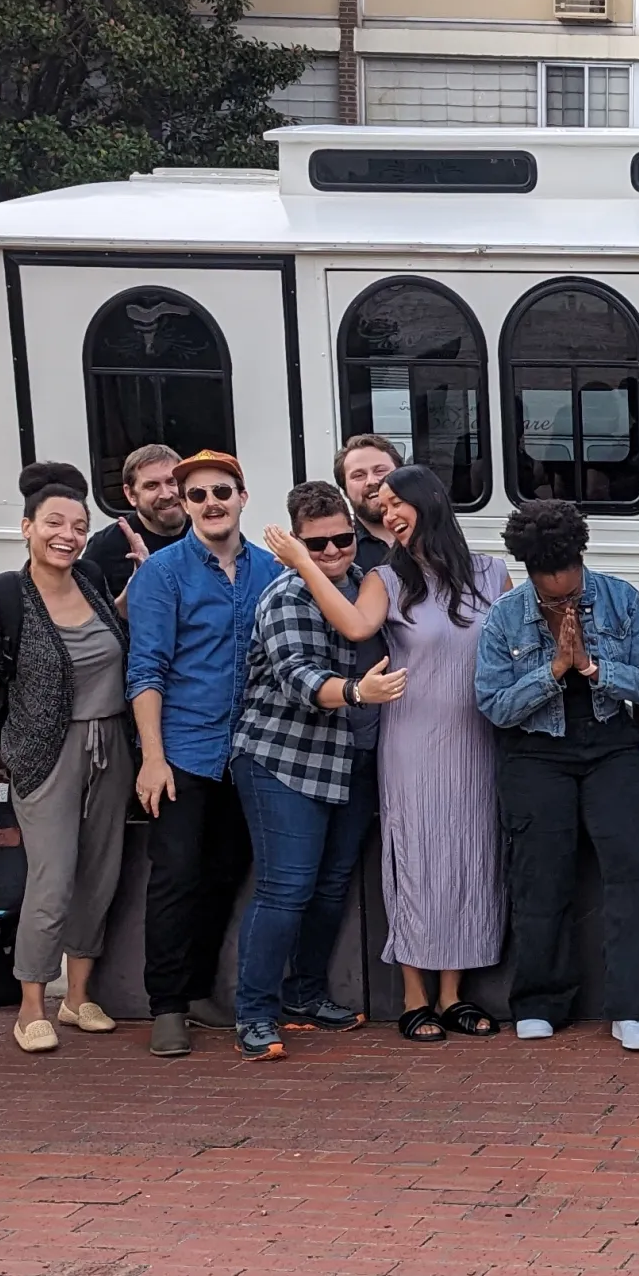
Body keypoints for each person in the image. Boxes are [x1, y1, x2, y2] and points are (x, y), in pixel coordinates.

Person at [276, 463, 511, 1042]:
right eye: (380, 508)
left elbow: (511, 646)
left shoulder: (491, 572)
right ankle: (413, 996)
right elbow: (357, 628)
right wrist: (306, 563)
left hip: (478, 739)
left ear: (426, 501)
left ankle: (454, 995)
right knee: (415, 856)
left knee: (470, 857)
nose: (387, 513)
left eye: (394, 502)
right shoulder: (386, 577)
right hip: (412, 740)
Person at [226, 483, 409, 1063]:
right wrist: (359, 691)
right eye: (317, 543)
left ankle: (304, 995)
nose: (333, 551)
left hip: (353, 760)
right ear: (295, 545)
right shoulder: (285, 595)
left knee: (330, 887)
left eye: (343, 538)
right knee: (286, 889)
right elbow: (299, 679)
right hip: (283, 759)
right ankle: (254, 1013)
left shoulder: (365, 586)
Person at [476, 498, 639, 1051]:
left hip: (610, 744)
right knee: (540, 874)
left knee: (630, 868)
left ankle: (633, 1007)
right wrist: (554, 670)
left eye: (573, 593)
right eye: (552, 597)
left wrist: (592, 667)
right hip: (535, 751)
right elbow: (494, 705)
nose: (565, 602)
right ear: (531, 577)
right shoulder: (506, 615)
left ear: (582, 561)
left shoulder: (621, 599)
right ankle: (539, 1001)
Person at [0, 464, 134, 1053]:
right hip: (44, 750)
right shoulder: (5, 596)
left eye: (79, 525)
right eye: (55, 523)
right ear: (27, 527)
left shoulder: (88, 580)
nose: (68, 534)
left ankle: (78, 997)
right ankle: (31, 1003)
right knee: (52, 877)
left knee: (100, 874)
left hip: (112, 742)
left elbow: (110, 640)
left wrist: (136, 592)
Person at [125, 449, 284, 1057]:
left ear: (242, 497)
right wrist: (152, 756)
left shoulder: (272, 569)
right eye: (198, 496)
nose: (211, 504)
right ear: (184, 506)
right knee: (175, 877)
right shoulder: (162, 574)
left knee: (225, 875)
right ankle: (165, 1005)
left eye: (222, 492)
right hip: (185, 752)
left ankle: (195, 991)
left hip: (252, 752)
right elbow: (147, 669)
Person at [78, 443, 187, 600]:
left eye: (172, 482)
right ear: (131, 495)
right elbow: (94, 618)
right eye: (152, 485)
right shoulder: (105, 547)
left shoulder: (206, 534)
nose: (166, 494)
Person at [335, 433, 404, 567]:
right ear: (344, 490)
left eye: (380, 471)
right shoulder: (338, 554)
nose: (372, 481)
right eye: (359, 475)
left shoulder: (434, 539)